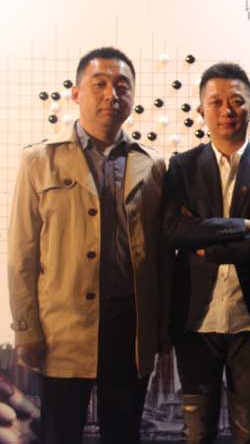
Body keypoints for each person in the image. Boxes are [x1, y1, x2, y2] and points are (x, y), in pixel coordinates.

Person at [7, 46, 168, 443]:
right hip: (62, 328)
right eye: (99, 84)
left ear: (132, 96)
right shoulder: (39, 160)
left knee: (122, 432)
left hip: (129, 327)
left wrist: (160, 327)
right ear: (77, 93)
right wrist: (26, 328)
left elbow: (162, 255)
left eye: (122, 86)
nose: (112, 94)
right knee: (60, 432)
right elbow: (22, 254)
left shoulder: (152, 164)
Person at [163, 62, 250, 443]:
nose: (227, 110)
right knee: (196, 431)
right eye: (216, 102)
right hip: (195, 318)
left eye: (236, 101)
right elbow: (173, 230)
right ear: (201, 109)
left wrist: (207, 246)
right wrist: (243, 226)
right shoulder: (182, 167)